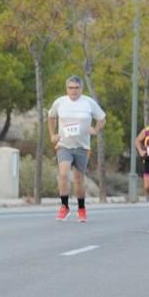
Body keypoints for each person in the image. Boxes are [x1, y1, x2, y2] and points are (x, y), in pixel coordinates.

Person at [47, 75, 105, 223]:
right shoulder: (60, 102)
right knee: (64, 174)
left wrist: (96, 130)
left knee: (79, 180)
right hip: (64, 145)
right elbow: (51, 117)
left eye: (76, 88)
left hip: (82, 146)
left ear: (81, 89)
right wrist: (53, 134)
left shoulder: (88, 103)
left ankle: (81, 208)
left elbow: (101, 118)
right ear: (67, 89)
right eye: (70, 88)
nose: (73, 91)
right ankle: (64, 206)